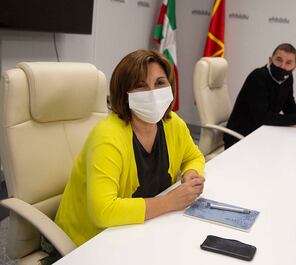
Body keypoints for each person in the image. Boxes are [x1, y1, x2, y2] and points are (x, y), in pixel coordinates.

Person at [55, 50, 205, 246]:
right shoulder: (108, 137)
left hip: (139, 230)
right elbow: (103, 211)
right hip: (89, 241)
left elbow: (193, 156)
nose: (152, 93)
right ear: (124, 94)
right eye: (140, 86)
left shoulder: (172, 123)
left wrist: (191, 173)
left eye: (160, 83)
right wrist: (170, 202)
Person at [223, 43, 296, 149]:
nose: (282, 66)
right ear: (270, 60)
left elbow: (289, 106)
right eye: (278, 60)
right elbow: (262, 118)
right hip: (240, 138)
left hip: (262, 134)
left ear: (294, 67)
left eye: (288, 63)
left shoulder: (288, 78)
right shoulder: (258, 77)